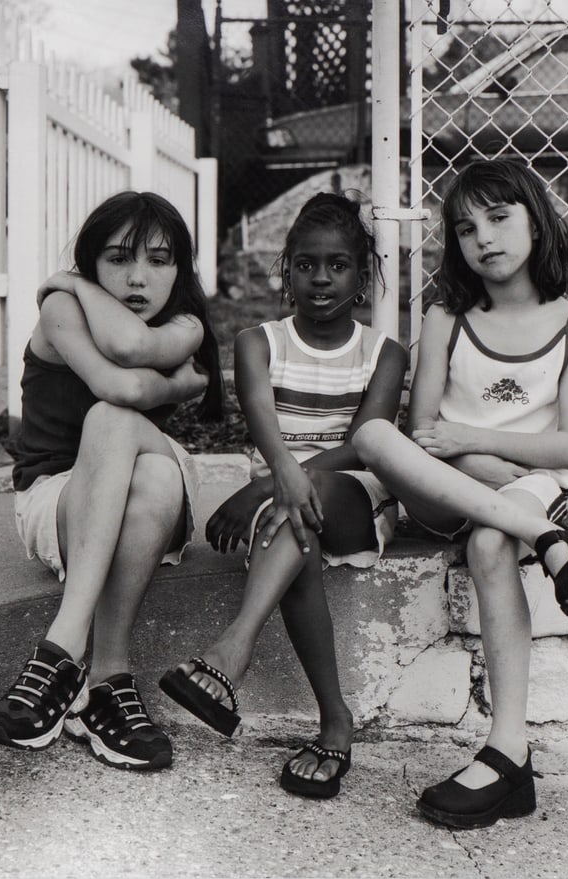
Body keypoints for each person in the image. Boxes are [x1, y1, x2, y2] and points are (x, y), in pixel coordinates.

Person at [351, 158, 568, 828]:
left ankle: (508, 755)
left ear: (536, 219)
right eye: (466, 228)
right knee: (376, 436)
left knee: (494, 541)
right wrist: (466, 452)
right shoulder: (447, 317)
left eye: (499, 218)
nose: (484, 238)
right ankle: (554, 543)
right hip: (447, 490)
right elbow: (421, 437)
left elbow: (567, 448)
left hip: (525, 487)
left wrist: (474, 443)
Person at [158, 192, 407, 799]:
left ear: (362, 273)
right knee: (298, 527)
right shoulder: (257, 343)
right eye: (306, 264)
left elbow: (364, 446)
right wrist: (280, 480)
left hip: (354, 498)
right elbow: (267, 431)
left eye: (338, 264)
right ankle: (335, 723)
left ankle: (233, 647)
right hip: (286, 514)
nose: (321, 278)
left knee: (298, 501)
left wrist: (271, 485)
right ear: (286, 270)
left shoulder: (385, 353)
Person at [0, 191, 224, 773]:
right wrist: (178, 386)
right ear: (91, 260)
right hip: (56, 499)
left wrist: (75, 281)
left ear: (179, 269)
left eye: (159, 261)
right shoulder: (59, 313)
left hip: (147, 486)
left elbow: (133, 354)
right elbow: (124, 379)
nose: (138, 278)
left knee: (145, 456)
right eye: (117, 259)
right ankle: (103, 677)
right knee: (122, 431)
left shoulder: (184, 321)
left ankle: (72, 657)